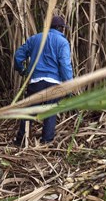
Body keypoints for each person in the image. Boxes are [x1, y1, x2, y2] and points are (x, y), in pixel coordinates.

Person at [13, 15, 73, 145]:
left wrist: (22, 70)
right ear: (59, 28)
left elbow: (18, 56)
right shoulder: (62, 42)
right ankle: (47, 142)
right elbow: (65, 65)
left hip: (36, 82)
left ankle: (21, 141)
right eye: (63, 28)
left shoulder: (35, 39)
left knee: (29, 112)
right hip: (53, 84)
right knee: (50, 113)